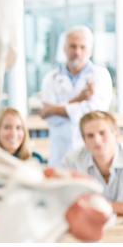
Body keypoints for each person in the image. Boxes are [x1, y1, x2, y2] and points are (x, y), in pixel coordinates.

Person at [39, 25, 112, 167]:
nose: (77, 52)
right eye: (73, 46)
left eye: (82, 47)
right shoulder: (51, 78)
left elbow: (94, 114)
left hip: (90, 151)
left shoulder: (100, 76)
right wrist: (80, 99)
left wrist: (54, 109)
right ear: (64, 48)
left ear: (90, 50)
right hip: (60, 151)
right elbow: (51, 119)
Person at [61, 111, 123, 215]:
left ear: (116, 135)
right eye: (90, 136)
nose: (97, 140)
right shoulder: (72, 162)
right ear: (84, 140)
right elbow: (65, 203)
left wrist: (98, 205)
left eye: (102, 133)